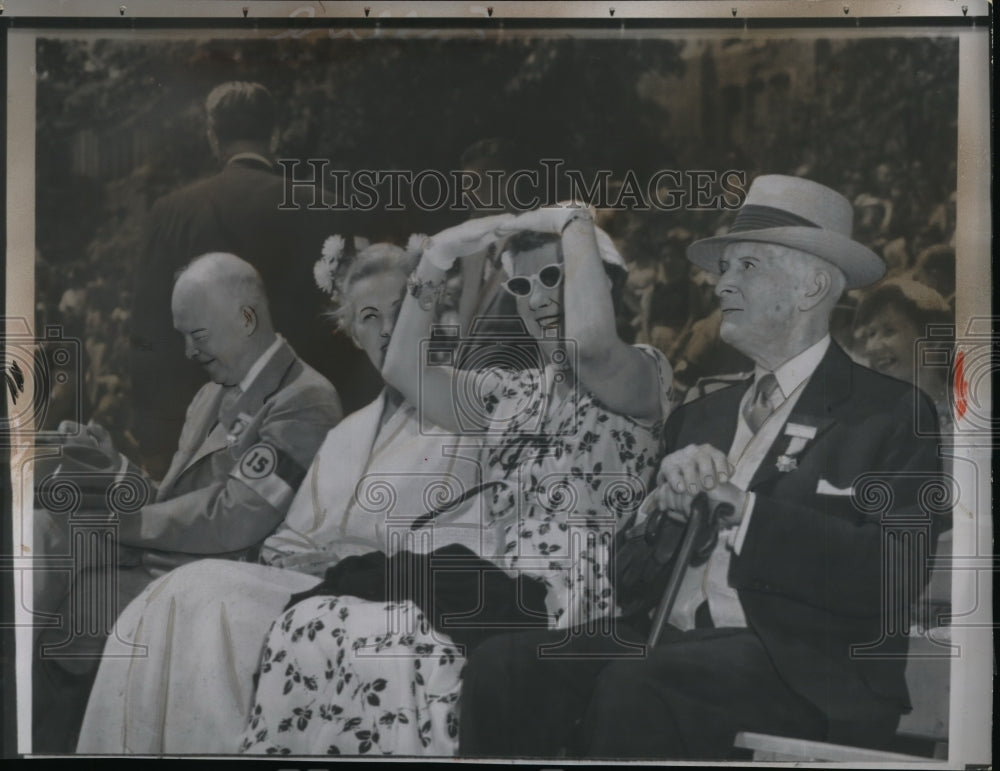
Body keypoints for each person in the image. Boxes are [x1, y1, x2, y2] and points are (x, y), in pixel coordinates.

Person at [458, 175, 947, 760]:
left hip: (805, 672)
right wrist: (654, 512)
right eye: (725, 268)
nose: (722, 284)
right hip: (673, 646)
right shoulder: (705, 412)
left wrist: (745, 511)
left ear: (813, 285)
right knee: (507, 666)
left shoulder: (887, 412)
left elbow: (892, 573)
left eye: (747, 267)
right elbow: (631, 580)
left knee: (639, 687)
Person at [237, 206, 674, 756]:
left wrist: (575, 221)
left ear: (599, 279)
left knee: (391, 586)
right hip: (501, 584)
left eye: (553, 276)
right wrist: (439, 256)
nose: (538, 298)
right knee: (321, 618)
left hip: (573, 598)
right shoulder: (509, 393)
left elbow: (590, 346)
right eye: (522, 282)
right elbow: (402, 368)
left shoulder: (644, 371)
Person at [76, 240, 488, 754]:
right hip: (312, 583)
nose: (387, 332)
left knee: (197, 594)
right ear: (352, 331)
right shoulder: (351, 430)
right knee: (175, 598)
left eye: (401, 314)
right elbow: (290, 533)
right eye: (368, 317)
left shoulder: (467, 415)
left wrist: (351, 562)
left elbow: (469, 534)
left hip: (389, 592)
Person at [36, 252, 343, 752]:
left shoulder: (303, 399)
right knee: (41, 532)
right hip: (170, 563)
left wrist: (117, 519)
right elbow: (174, 500)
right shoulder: (209, 396)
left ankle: (38, 731)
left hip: (217, 583)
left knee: (64, 606)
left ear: (247, 319)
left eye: (197, 335)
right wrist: (113, 467)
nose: (186, 351)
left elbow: (235, 516)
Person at [129, 81, 372, 478]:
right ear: (275, 134)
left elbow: (149, 331)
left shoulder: (172, 213)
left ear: (212, 137)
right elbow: (350, 326)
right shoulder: (324, 206)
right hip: (306, 426)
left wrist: (154, 439)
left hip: (205, 430)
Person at [855, 277, 953, 423]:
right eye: (871, 334)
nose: (872, 347)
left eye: (889, 331)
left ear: (933, 339)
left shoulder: (973, 410)